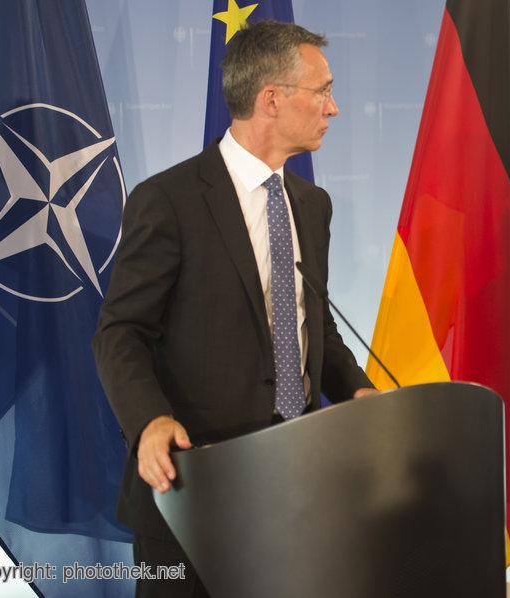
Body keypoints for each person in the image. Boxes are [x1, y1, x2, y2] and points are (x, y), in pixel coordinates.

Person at [93, 20, 375, 597]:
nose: (334, 107)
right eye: (322, 91)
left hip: (295, 485)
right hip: (193, 486)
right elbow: (121, 331)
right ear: (271, 98)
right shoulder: (168, 200)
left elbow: (314, 325)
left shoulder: (312, 205)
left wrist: (359, 392)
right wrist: (149, 420)